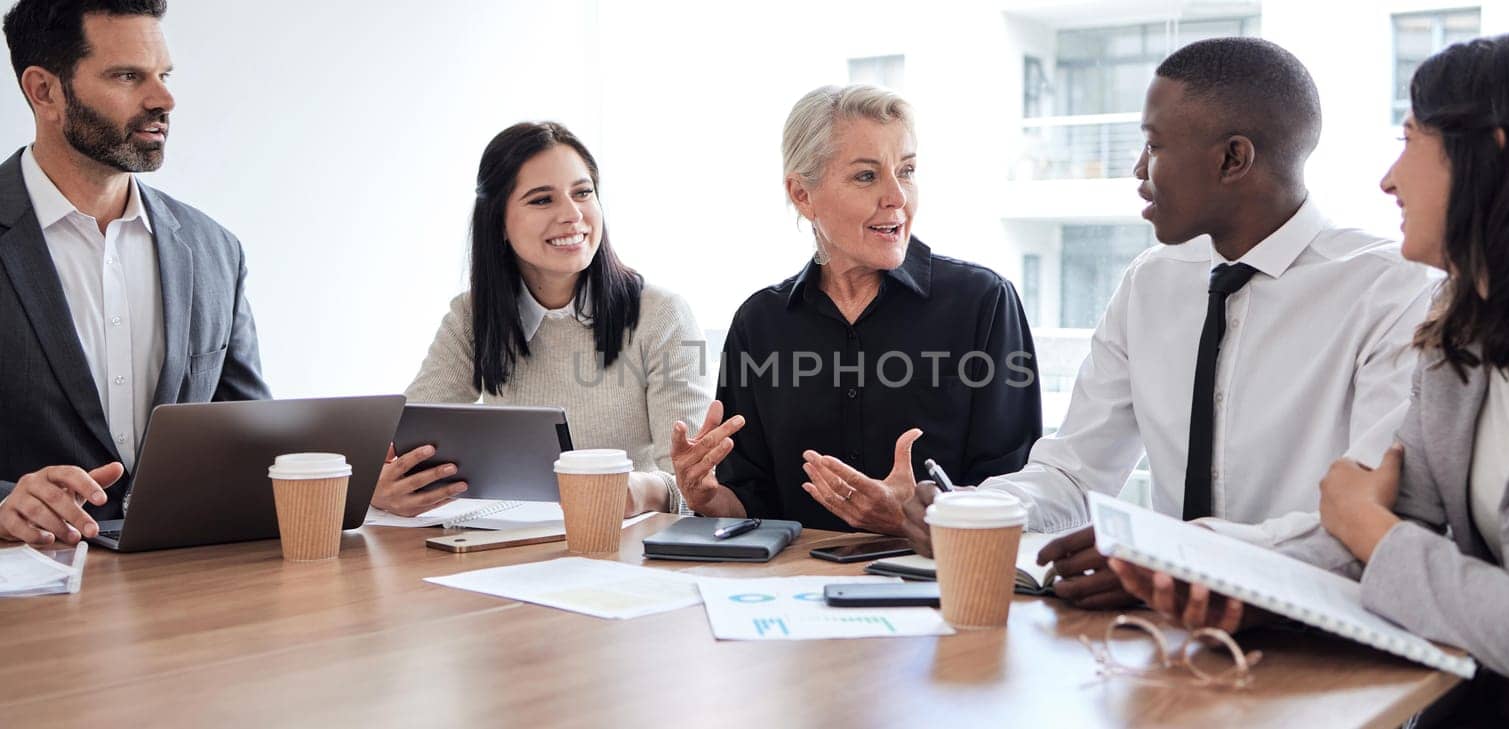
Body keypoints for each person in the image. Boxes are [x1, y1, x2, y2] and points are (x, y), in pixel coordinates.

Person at [1113, 28, 1509, 728]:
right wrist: (1212, 572)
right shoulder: (1459, 331)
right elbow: (1383, 525)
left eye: (1410, 141)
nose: (1388, 179)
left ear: (1492, 154)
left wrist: (1372, 528)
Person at [899, 38, 1436, 608]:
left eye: (1153, 145)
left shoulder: (1391, 288)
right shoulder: (1149, 283)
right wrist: (973, 509)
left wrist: (1177, 554)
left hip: (1314, 638)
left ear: (1233, 159)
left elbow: (1370, 522)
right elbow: (1077, 473)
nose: (1137, 168)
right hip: (1161, 634)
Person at [669, 84, 1042, 534]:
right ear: (803, 195)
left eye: (906, 171)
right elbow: (750, 504)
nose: (897, 197)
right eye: (867, 176)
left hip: (939, 587)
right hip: (789, 588)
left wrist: (911, 521)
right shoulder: (760, 324)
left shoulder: (984, 302)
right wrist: (708, 497)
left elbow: (1015, 496)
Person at [0, 0, 270, 546]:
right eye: (128, 76)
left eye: (163, 75)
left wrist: (346, 478)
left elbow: (251, 437)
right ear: (44, 91)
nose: (163, 100)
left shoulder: (213, 249)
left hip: (185, 590)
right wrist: (3, 502)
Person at [374, 121, 712, 518]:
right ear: (498, 220)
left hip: (629, 548)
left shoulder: (663, 315)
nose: (572, 215)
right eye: (541, 200)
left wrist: (642, 490)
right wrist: (378, 487)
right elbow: (402, 442)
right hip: (513, 545)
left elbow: (697, 486)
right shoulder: (472, 316)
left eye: (583, 193)